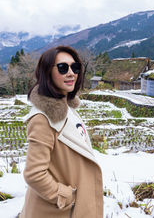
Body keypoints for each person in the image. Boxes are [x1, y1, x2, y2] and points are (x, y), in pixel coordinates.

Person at [20, 46, 103, 218]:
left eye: (75, 67)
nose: (71, 73)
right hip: (57, 211)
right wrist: (66, 196)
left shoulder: (68, 108)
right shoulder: (42, 119)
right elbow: (34, 174)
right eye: (63, 68)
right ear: (47, 73)